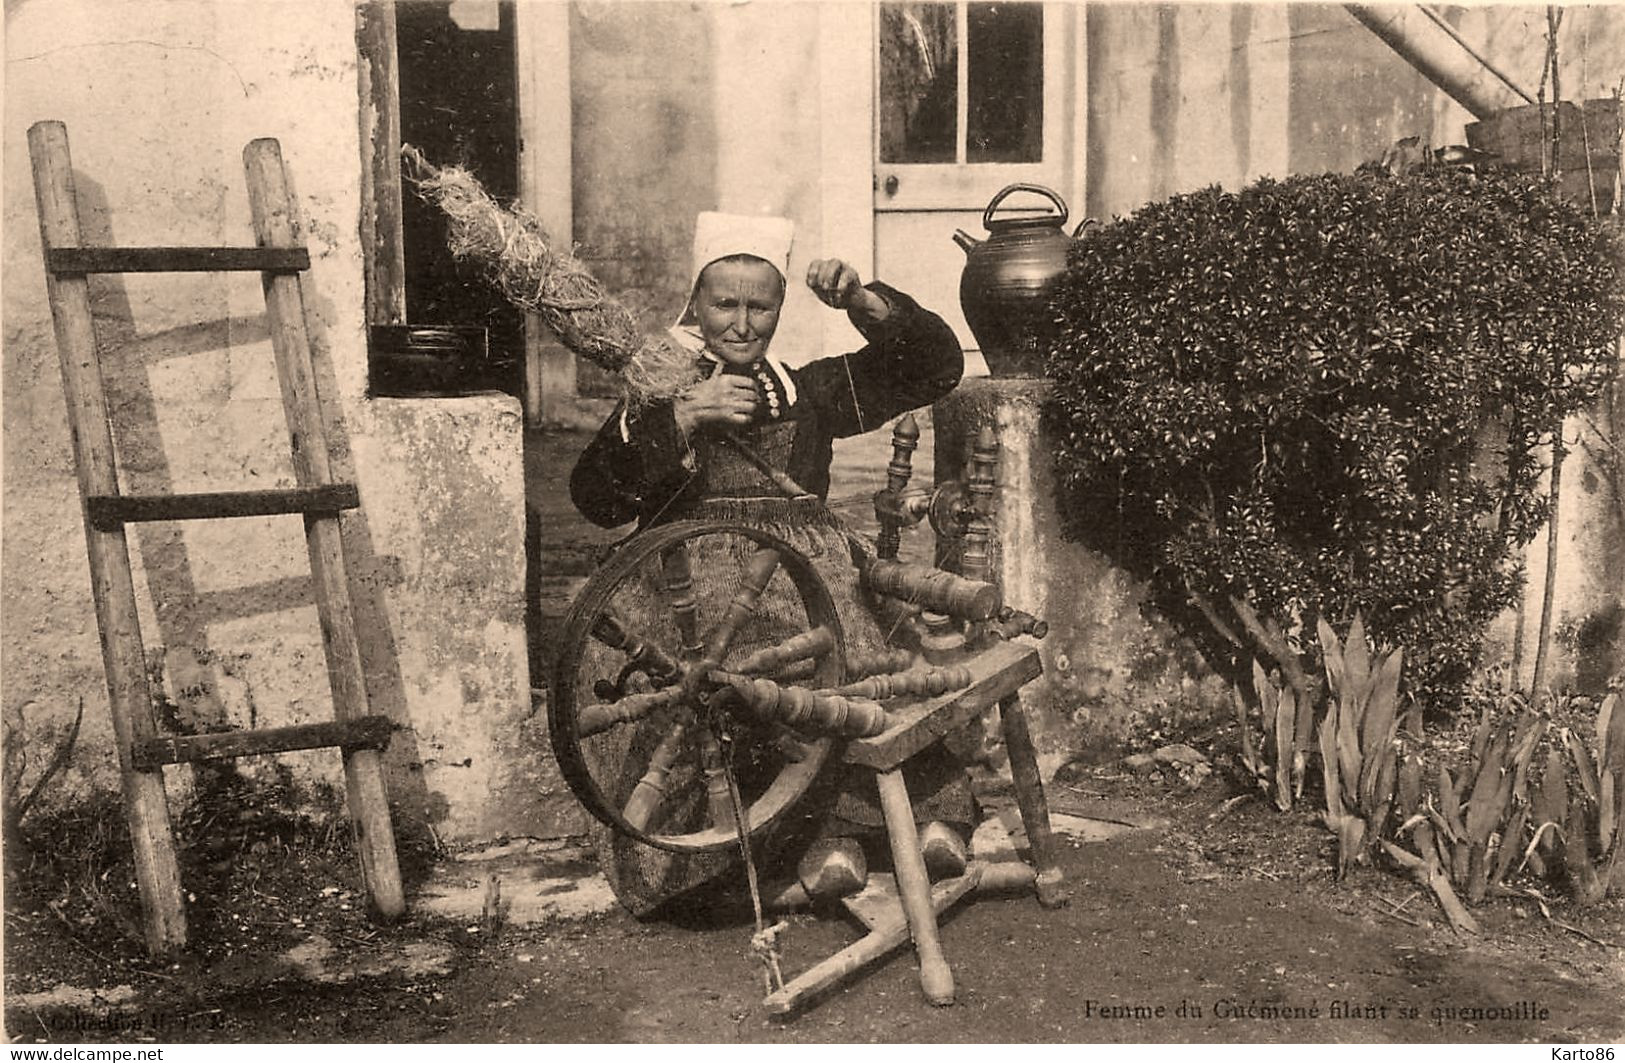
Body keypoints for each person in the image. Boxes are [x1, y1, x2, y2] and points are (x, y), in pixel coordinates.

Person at [568, 212, 977, 914]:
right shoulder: (658, 389)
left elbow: (936, 368)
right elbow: (595, 498)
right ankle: (769, 849)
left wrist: (860, 302)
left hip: (801, 583)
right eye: (723, 303)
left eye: (761, 305)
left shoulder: (806, 391)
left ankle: (851, 834)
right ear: (694, 304)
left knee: (852, 667)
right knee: (726, 683)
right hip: (684, 595)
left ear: (780, 308)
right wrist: (684, 418)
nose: (741, 323)